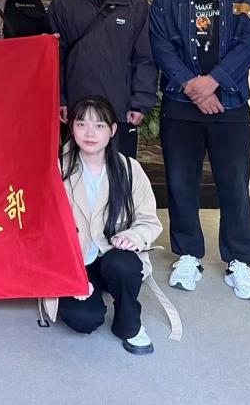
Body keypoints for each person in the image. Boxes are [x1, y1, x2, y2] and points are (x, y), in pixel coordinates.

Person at [149, 0, 250, 300]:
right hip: (180, 106)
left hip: (230, 105)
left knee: (234, 184)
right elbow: (161, 48)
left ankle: (240, 260)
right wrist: (193, 86)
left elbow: (247, 45)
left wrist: (212, 83)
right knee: (181, 183)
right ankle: (188, 254)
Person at [51, 96, 163, 355]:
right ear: (71, 127)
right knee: (83, 320)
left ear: (112, 130)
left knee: (122, 264)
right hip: (74, 260)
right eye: (82, 124)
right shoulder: (57, 169)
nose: (90, 133)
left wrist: (134, 235)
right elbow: (46, 230)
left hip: (112, 255)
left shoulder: (129, 169)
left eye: (99, 125)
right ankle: (90, 292)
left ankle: (130, 325)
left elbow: (149, 220)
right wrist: (71, 276)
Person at [47, 0, 156, 158]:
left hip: (120, 110)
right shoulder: (63, 2)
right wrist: (60, 99)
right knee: (74, 174)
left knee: (119, 172)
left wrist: (140, 102)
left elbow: (144, 57)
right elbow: (55, 56)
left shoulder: (134, 4)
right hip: (76, 110)